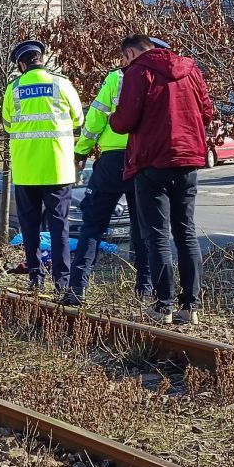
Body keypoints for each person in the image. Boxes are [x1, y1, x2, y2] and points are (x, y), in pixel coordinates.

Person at [110, 34, 213, 326]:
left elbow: (124, 121)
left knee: (157, 235)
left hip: (152, 163)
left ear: (130, 53)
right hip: (188, 160)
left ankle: (163, 305)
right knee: (186, 233)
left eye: (123, 59)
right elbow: (207, 112)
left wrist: (112, 117)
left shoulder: (137, 72)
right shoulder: (191, 68)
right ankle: (190, 306)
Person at [64, 56, 157, 306]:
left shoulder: (117, 78)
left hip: (112, 161)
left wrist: (81, 151)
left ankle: (77, 289)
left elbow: (95, 118)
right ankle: (145, 291)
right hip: (144, 160)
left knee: (93, 225)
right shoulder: (158, 77)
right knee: (143, 228)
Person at [2, 40, 84, 292]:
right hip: (57, 168)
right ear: (43, 59)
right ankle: (62, 281)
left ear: (21, 64)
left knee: (29, 227)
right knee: (59, 225)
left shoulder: (13, 89)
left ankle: (35, 277)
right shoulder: (62, 84)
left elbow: (7, 125)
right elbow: (78, 119)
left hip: (26, 170)